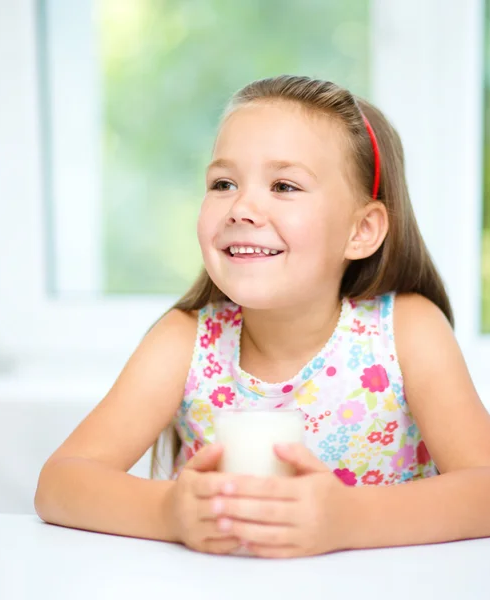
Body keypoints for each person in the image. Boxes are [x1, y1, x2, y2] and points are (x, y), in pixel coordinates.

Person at [35, 75, 490, 558]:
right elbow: (59, 483)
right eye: (223, 183)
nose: (242, 207)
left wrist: (348, 520)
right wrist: (169, 510)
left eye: (284, 185)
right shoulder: (185, 342)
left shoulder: (406, 332)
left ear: (362, 230)